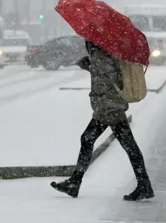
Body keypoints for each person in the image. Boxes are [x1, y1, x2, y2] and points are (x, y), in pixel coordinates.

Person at [50, 40, 154, 201]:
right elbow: (109, 74)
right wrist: (90, 65)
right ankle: (143, 184)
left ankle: (75, 182)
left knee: (95, 140)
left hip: (109, 108)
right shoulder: (106, 50)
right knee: (123, 145)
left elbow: (107, 78)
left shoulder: (103, 52)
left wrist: (90, 65)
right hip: (109, 107)